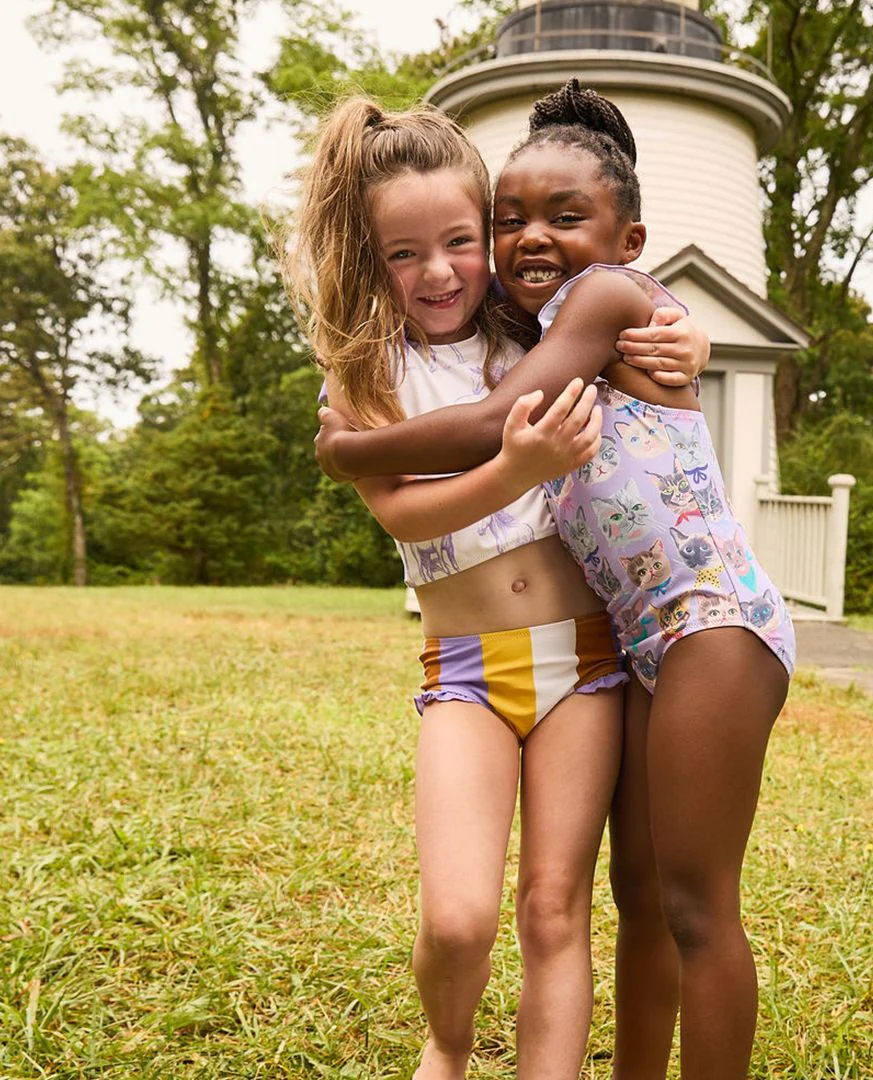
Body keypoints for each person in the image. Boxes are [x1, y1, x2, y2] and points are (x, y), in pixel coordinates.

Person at [315, 81, 797, 1080]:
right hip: (593, 647)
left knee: (673, 902)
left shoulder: (583, 314)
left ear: (626, 236)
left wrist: (346, 452)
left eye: (563, 217)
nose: (522, 240)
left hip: (686, 626)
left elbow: (517, 409)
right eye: (512, 221)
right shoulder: (501, 328)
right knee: (633, 894)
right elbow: (465, 379)